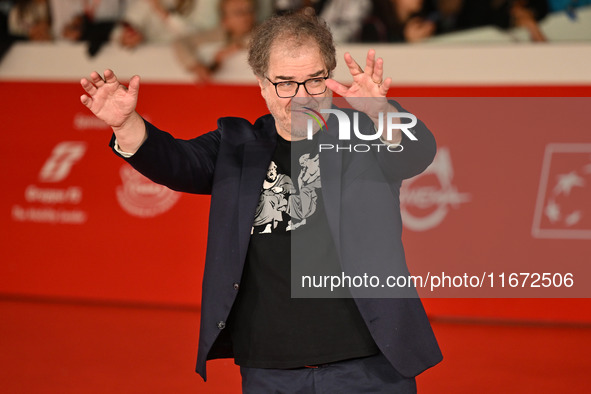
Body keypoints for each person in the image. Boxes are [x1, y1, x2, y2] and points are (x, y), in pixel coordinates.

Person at [80, 12, 442, 393]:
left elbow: (417, 153)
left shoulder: (365, 134)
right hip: (271, 368)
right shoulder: (236, 145)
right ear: (262, 84)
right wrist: (126, 125)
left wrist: (381, 113)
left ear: (331, 78)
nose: (302, 97)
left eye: (315, 80)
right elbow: (175, 161)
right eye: (285, 83)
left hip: (370, 363)